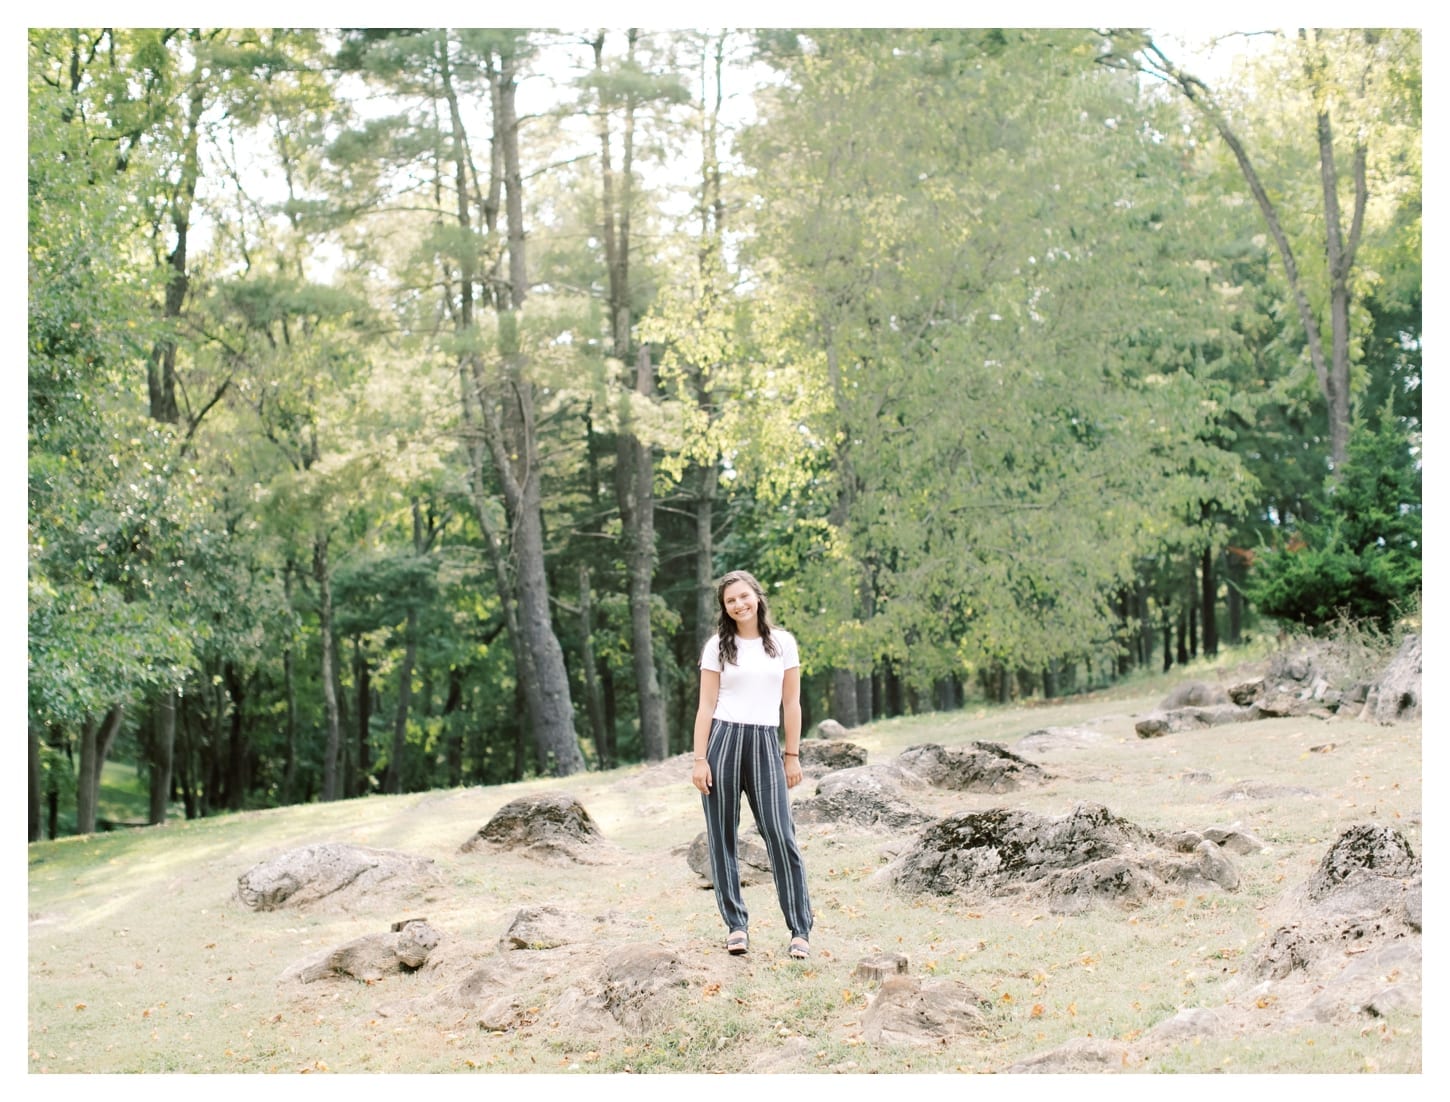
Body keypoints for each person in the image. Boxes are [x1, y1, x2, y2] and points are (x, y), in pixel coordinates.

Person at [691, 570, 813, 959]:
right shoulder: (717, 647)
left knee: (780, 834)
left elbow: (791, 703)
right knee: (722, 836)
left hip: (764, 742)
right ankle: (736, 926)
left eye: (744, 596)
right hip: (722, 742)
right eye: (730, 601)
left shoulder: (782, 644)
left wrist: (791, 755)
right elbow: (705, 706)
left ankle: (799, 930)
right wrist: (699, 760)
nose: (739, 604)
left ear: (756, 597)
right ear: (724, 609)